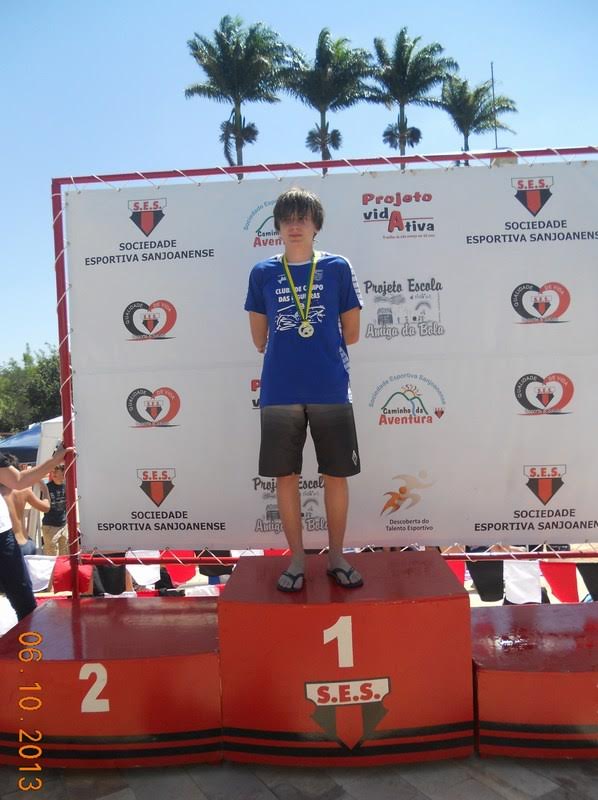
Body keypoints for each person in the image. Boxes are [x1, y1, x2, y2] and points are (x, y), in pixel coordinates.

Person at [245, 187, 363, 592]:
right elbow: (258, 339)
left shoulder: (337, 267)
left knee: (336, 475)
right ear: (277, 226)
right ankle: (296, 559)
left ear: (316, 225)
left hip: (331, 387)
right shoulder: (262, 272)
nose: (295, 225)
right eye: (287, 219)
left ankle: (337, 556)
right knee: (286, 476)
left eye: (303, 218)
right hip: (280, 389)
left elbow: (353, 332)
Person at [0, 445, 74, 621]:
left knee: (24, 600)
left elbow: (18, 479)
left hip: (6, 537)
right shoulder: (22, 491)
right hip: (15, 540)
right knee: (24, 599)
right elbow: (20, 482)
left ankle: (28, 638)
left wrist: (55, 460)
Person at [0, 454, 50, 555]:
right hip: (26, 543)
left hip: (9, 547)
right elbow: (46, 507)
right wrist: (45, 490)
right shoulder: (24, 491)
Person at [41, 464, 68, 556]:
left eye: (56, 471)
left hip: (63, 525)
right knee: (51, 555)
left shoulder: (66, 486)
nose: (54, 473)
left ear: (64, 473)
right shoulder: (47, 488)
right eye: (53, 471)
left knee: (64, 554)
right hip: (50, 526)